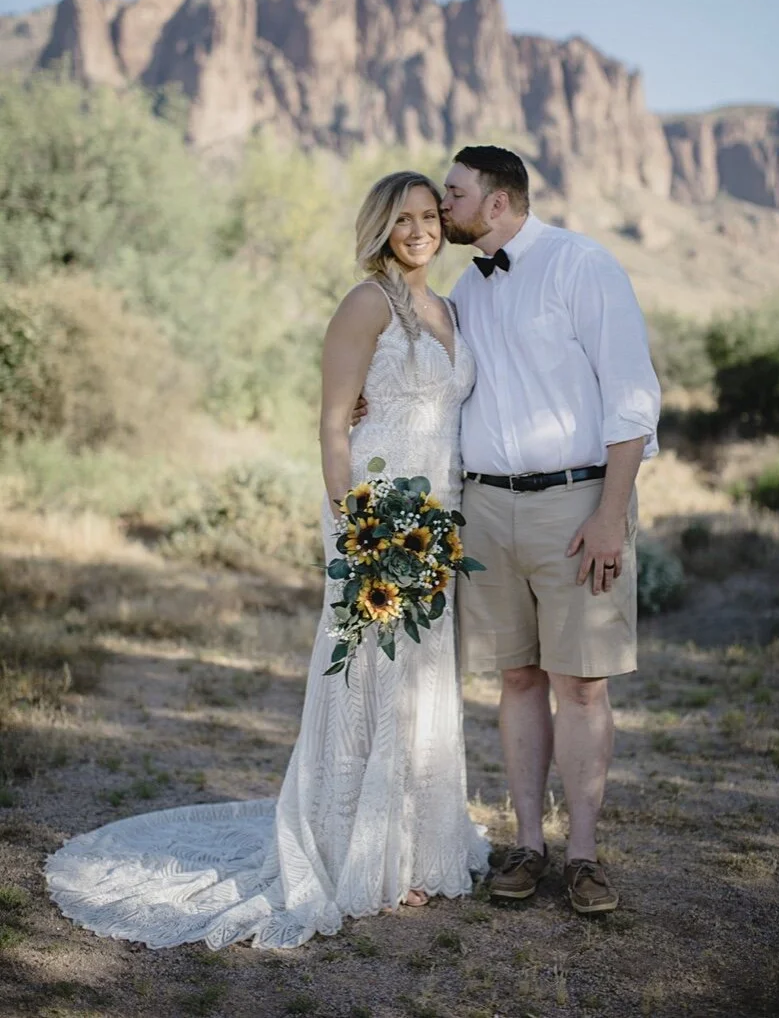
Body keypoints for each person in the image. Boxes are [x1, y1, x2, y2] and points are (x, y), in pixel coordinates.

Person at [45, 171, 488, 950]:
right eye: (402, 218)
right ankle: (356, 853)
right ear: (381, 228)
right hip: (376, 517)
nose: (418, 229)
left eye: (428, 215)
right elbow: (331, 423)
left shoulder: (450, 310)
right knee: (367, 675)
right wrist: (355, 528)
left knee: (421, 678)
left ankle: (414, 847)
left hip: (436, 522)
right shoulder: (365, 305)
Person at [440, 145, 660, 915]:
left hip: (576, 506)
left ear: (496, 202)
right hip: (485, 507)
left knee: (583, 683)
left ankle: (585, 856)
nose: (443, 206)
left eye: (454, 193)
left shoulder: (582, 266)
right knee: (518, 678)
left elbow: (632, 400)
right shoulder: (464, 288)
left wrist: (609, 513)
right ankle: (529, 844)